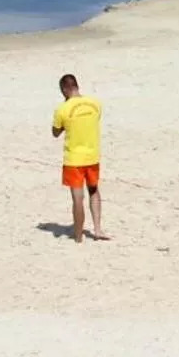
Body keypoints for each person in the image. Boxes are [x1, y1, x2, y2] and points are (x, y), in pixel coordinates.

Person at [51, 73, 106, 242]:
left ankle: (78, 235)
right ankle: (97, 229)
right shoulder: (95, 104)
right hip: (93, 155)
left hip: (74, 159)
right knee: (94, 191)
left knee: (77, 198)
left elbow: (55, 132)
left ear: (65, 89)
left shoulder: (63, 109)